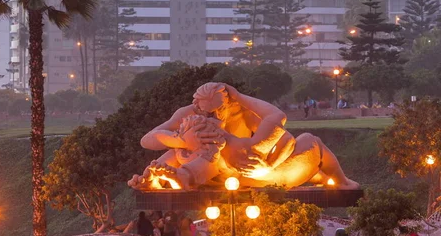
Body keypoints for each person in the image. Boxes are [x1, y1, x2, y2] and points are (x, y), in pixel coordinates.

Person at [129, 82, 359, 191]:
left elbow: (283, 132)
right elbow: (147, 140)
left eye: (217, 111)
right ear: (196, 106)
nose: (209, 116)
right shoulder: (188, 115)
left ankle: (341, 181)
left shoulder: (242, 115)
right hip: (222, 171)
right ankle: (157, 176)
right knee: (177, 151)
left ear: (228, 104)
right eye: (203, 111)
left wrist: (239, 97)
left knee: (310, 142)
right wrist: (180, 140)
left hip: (251, 170)